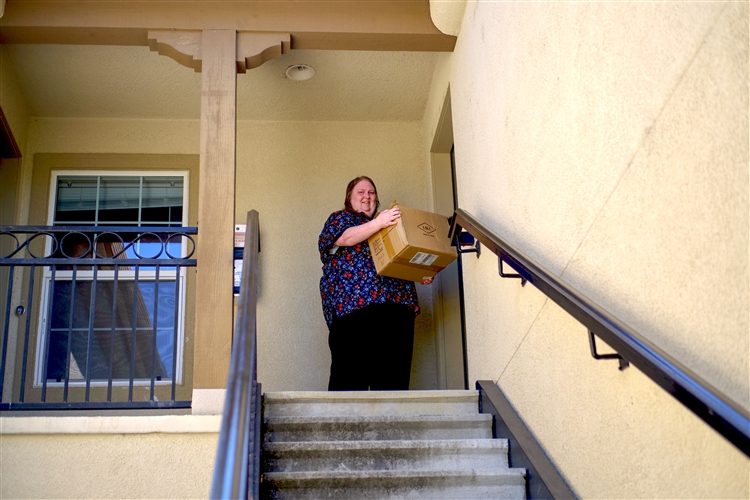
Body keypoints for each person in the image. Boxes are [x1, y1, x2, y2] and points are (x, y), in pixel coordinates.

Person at [318, 176, 429, 391]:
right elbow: (345, 239)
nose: (366, 196)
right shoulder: (340, 219)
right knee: (349, 380)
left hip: (396, 309)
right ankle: (345, 425)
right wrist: (378, 223)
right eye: (360, 192)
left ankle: (390, 424)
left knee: (393, 381)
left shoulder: (390, 225)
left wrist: (421, 272)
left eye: (371, 192)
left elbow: (404, 255)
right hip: (354, 311)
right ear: (349, 198)